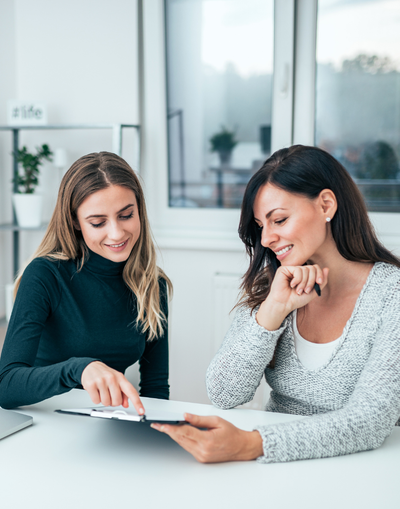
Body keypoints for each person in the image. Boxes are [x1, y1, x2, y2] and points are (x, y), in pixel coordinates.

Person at [152, 145, 400, 463]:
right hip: (275, 469)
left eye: (278, 220)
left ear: (326, 204)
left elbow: (370, 421)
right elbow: (224, 393)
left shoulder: (391, 293)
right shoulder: (275, 285)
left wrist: (252, 444)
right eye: (260, 225)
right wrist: (272, 311)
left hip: (359, 469)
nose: (266, 238)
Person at [0, 152, 172, 413]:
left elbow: (156, 387)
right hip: (44, 418)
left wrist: (153, 433)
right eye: (98, 222)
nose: (117, 233)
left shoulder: (151, 283)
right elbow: (7, 387)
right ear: (75, 222)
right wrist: (79, 368)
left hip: (108, 424)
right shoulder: (44, 275)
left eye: (126, 215)